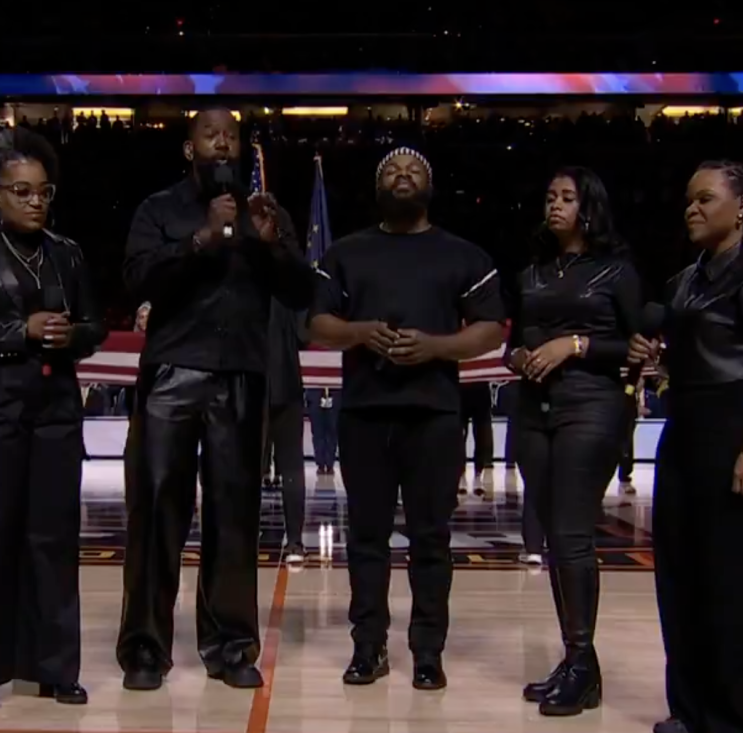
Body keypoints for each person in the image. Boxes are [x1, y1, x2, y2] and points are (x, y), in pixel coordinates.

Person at [118, 107, 314, 691]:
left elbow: (301, 292)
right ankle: (145, 649)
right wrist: (201, 239)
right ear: (190, 148)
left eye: (231, 135)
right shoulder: (159, 209)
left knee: (235, 514)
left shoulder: (264, 213)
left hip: (241, 376)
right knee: (157, 511)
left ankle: (230, 646)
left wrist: (273, 246)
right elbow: (136, 280)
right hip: (173, 371)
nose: (223, 143)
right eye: (211, 135)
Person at [308, 147, 505, 690]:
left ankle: (427, 652)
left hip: (435, 416)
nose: (402, 176)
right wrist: (359, 332)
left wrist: (436, 347)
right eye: (391, 171)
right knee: (366, 537)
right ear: (377, 188)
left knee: (430, 539)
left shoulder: (463, 255)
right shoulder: (346, 253)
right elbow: (317, 322)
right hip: (365, 414)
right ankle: (368, 646)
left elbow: (491, 328)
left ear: (429, 186)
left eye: (413, 170)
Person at [0, 128, 106, 710]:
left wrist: (70, 335)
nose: (35, 201)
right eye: (22, 191)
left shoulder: (67, 251)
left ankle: (53, 667)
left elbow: (95, 326)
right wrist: (20, 331)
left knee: (52, 539)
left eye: (43, 191)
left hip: (54, 408)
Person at [629, 161, 743, 733]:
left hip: (740, 432)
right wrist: (656, 359)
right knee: (684, 577)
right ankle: (692, 710)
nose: (692, 209)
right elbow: (689, 357)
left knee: (742, 585)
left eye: (705, 199)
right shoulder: (684, 280)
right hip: (687, 433)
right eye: (688, 200)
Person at [506, 167, 642, 716]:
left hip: (591, 405)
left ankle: (582, 662)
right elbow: (518, 337)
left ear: (589, 208)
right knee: (552, 537)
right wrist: (519, 356)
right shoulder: (532, 272)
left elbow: (635, 346)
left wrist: (576, 345)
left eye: (567, 197)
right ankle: (576, 662)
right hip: (534, 407)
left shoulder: (617, 271)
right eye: (550, 196)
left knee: (571, 533)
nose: (555, 205)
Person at [262, 291, 308, 563]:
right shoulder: (290, 288)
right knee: (292, 468)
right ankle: (295, 542)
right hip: (287, 384)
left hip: (252, 384)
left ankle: (241, 540)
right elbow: (304, 335)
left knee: (246, 469)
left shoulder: (246, 282)